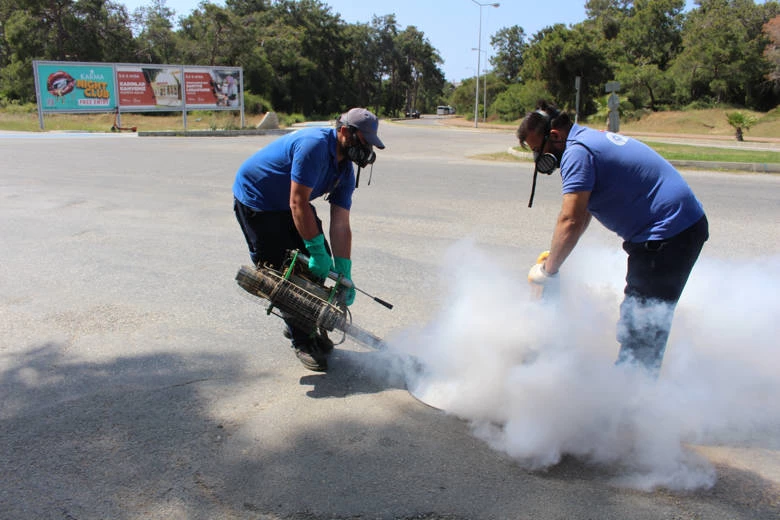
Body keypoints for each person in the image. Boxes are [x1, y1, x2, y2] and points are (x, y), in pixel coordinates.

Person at [517, 100, 709, 377]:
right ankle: (631, 394)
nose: (539, 159)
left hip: (667, 235)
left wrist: (549, 271)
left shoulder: (576, 153)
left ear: (555, 136)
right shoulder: (587, 139)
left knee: (641, 326)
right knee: (639, 319)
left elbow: (569, 220)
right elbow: (581, 216)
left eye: (539, 150)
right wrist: (555, 260)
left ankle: (631, 408)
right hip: (676, 230)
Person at [233, 108, 385, 371]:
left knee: (316, 271)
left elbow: (341, 222)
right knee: (283, 275)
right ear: (345, 132)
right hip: (258, 201)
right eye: (363, 141)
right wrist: (314, 249)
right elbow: (298, 202)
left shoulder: (345, 172)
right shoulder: (314, 146)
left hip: (290, 202)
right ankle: (302, 339)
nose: (367, 150)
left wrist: (343, 270)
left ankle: (307, 325)